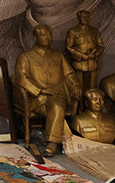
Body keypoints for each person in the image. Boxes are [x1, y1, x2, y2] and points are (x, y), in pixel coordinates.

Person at [13, 24, 81, 156]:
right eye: (43, 35)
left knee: (57, 103)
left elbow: (69, 74)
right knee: (57, 106)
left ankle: (53, 142)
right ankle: (53, 143)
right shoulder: (26, 57)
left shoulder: (58, 55)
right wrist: (39, 90)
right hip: (37, 99)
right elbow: (20, 78)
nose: (47, 38)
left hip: (58, 95)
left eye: (49, 35)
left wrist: (75, 85)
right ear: (35, 37)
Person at [66, 10, 105, 91]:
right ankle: (80, 104)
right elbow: (69, 47)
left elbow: (101, 46)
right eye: (83, 17)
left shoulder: (94, 31)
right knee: (80, 88)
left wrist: (95, 54)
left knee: (92, 87)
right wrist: (81, 56)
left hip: (92, 64)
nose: (86, 19)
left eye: (87, 17)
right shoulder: (73, 31)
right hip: (79, 64)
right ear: (79, 18)